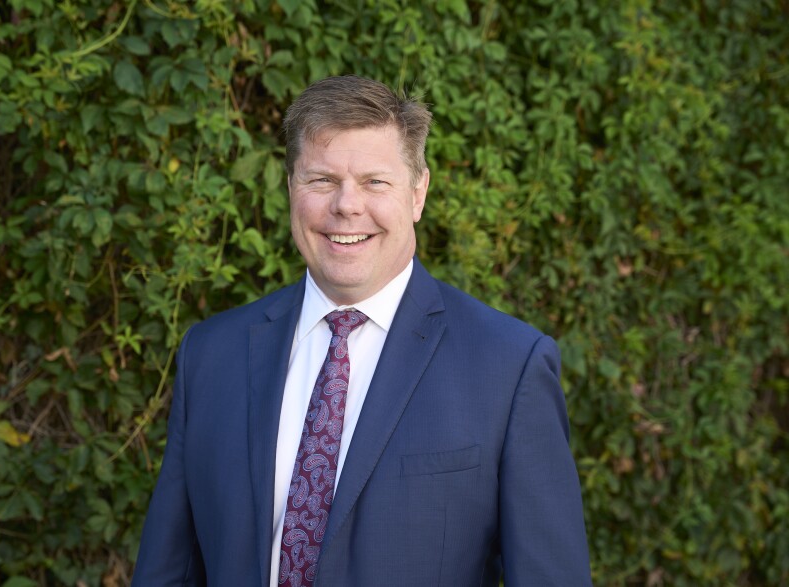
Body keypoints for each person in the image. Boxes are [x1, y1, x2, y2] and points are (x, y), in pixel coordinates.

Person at [132, 75, 592, 586]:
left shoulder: (509, 368)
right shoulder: (211, 355)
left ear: (418, 194)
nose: (347, 206)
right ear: (291, 190)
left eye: (376, 181)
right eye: (321, 180)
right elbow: (167, 571)